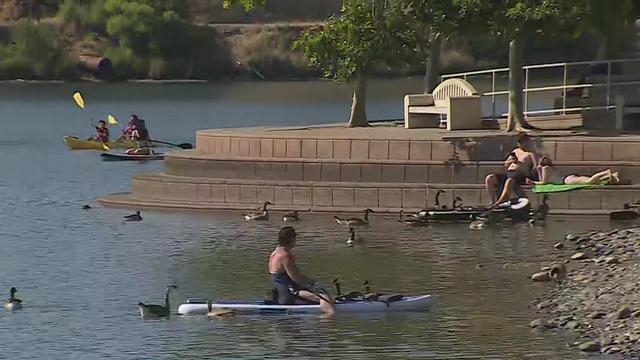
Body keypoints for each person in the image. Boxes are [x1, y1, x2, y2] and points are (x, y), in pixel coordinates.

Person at [268, 226, 335, 315]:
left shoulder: (275, 253)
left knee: (319, 292)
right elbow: (296, 278)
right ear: (291, 239)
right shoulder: (285, 255)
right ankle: (329, 321)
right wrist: (313, 282)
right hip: (289, 294)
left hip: (281, 291)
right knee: (324, 297)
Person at [485, 132, 539, 203]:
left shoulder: (531, 153)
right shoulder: (515, 151)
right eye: (518, 142)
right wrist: (511, 161)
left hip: (520, 174)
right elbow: (506, 164)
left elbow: (535, 166)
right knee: (489, 178)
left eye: (521, 142)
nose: (519, 144)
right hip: (509, 172)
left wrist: (530, 177)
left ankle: (501, 201)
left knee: (509, 181)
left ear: (526, 141)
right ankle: (492, 200)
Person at [528, 156, 619, 185]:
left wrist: (533, 182)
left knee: (589, 181)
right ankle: (610, 176)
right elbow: (543, 180)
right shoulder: (547, 168)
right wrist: (538, 170)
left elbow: (543, 182)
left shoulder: (545, 168)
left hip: (567, 180)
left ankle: (606, 172)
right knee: (593, 181)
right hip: (568, 178)